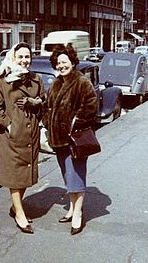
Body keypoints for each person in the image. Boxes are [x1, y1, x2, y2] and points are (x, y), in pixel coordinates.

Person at [0, 42, 45, 234]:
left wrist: (35, 103)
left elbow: (43, 104)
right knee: (15, 176)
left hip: (31, 135)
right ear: (13, 58)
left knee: (26, 174)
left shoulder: (36, 79)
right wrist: (10, 125)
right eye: (20, 57)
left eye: (27, 57)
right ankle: (20, 214)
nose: (24, 61)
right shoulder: (2, 81)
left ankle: (15, 207)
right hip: (13, 136)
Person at [43, 44, 97, 235]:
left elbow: (91, 107)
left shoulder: (82, 82)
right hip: (59, 140)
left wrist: (74, 123)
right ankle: (73, 208)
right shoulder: (56, 83)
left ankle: (77, 215)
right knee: (68, 175)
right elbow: (47, 106)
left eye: (64, 62)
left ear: (73, 63)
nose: (61, 66)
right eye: (58, 63)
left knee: (76, 176)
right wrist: (47, 121)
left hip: (76, 140)